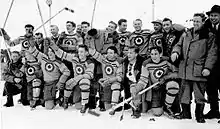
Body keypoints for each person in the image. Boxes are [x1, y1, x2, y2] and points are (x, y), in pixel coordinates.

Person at [171, 13, 217, 123]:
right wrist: (175, 52)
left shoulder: (208, 35)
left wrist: (207, 68)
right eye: (194, 21)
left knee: (199, 94)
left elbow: (212, 53)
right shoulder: (186, 33)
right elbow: (178, 44)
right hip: (185, 69)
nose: (195, 23)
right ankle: (185, 113)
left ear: (203, 22)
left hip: (199, 70)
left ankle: (199, 115)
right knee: (184, 93)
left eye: (198, 21)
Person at [130, 46, 179, 118]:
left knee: (173, 85)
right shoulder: (146, 63)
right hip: (155, 88)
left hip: (166, 85)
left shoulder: (166, 60)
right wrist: (137, 88)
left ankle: (167, 106)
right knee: (157, 113)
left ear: (160, 54)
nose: (153, 56)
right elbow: (143, 79)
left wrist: (165, 78)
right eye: (151, 54)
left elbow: (176, 73)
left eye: (156, 54)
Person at [50, 42, 95, 113]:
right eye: (79, 51)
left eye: (82, 52)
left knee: (84, 82)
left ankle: (84, 104)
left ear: (86, 53)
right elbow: (62, 54)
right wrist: (53, 46)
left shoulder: (90, 62)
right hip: (76, 83)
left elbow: (89, 75)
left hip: (85, 82)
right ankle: (65, 100)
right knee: (68, 84)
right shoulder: (75, 57)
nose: (80, 53)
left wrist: (76, 78)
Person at [28, 43, 70, 110]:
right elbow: (34, 51)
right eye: (49, 51)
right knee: (48, 107)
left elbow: (67, 72)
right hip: (47, 84)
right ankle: (52, 100)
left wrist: (60, 82)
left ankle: (61, 98)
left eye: (52, 52)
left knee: (50, 104)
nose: (50, 53)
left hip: (56, 83)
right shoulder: (43, 58)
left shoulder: (58, 62)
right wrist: (31, 44)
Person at [88, 44, 123, 114]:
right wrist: (88, 48)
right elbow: (95, 54)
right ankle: (115, 103)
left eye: (111, 53)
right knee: (107, 106)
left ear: (115, 54)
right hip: (106, 83)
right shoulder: (103, 59)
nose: (108, 54)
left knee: (116, 86)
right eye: (108, 53)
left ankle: (114, 105)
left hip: (114, 82)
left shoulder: (118, 63)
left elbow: (120, 77)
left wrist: (110, 80)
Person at [203, 5, 220, 120]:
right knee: (211, 87)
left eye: (216, 15)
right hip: (211, 63)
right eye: (211, 15)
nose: (213, 17)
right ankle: (214, 111)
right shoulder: (206, 27)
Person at [123, 46, 145, 114]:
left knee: (134, 89)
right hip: (128, 83)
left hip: (138, 82)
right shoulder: (125, 61)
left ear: (136, 54)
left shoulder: (141, 62)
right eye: (128, 53)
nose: (128, 55)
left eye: (131, 53)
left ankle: (136, 108)